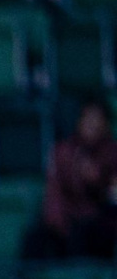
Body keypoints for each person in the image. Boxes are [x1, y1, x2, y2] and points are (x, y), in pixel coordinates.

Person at [25, 99, 117, 261]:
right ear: (79, 121)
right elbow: (54, 196)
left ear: (106, 124)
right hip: (67, 222)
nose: (93, 124)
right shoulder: (63, 152)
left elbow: (112, 197)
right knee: (36, 238)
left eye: (98, 119)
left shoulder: (112, 153)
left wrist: (97, 182)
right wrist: (62, 225)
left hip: (98, 222)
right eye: (88, 118)